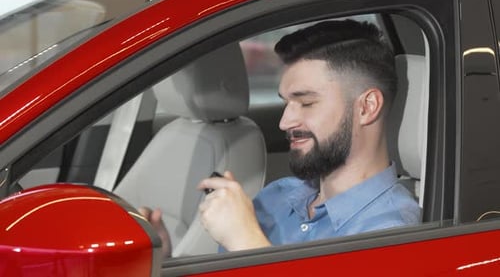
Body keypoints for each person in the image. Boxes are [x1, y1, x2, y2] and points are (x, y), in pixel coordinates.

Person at [141, 19, 421, 256]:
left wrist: (246, 242)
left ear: (366, 107)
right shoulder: (277, 196)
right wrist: (166, 261)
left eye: (307, 102)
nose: (285, 121)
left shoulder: (391, 234)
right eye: (286, 103)